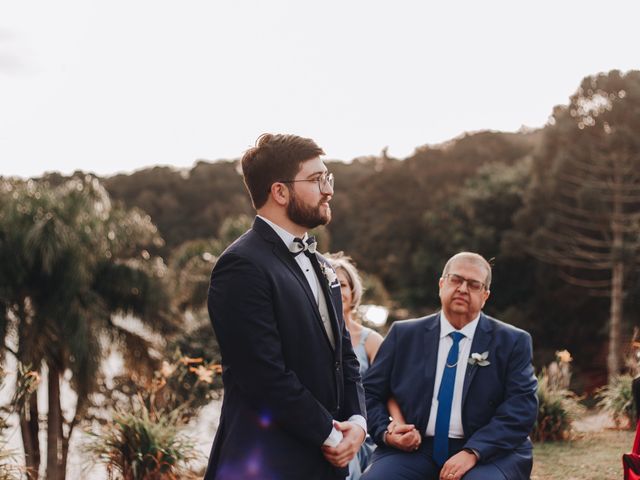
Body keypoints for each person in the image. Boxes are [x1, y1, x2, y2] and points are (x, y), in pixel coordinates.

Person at [204, 133, 366, 480]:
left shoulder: (323, 264)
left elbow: (345, 355)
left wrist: (357, 421)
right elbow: (263, 374)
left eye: (328, 177)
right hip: (265, 461)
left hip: (328, 462)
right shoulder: (241, 266)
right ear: (279, 192)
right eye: (316, 179)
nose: (328, 189)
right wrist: (331, 433)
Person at [362, 252, 538, 480]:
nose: (463, 289)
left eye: (474, 284)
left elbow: (521, 408)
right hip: (416, 448)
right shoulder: (403, 335)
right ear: (441, 284)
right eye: (456, 280)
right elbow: (368, 393)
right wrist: (388, 432)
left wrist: (473, 451)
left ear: (485, 295)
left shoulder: (513, 342)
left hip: (489, 452)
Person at [327, 253, 385, 480]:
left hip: (362, 432)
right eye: (328, 284)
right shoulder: (310, 339)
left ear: (352, 291)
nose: (335, 290)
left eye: (340, 284)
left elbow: (387, 392)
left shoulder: (371, 341)